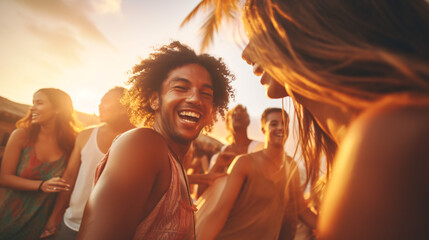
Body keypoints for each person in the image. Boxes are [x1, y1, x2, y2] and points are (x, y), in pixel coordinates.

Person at [185, 0, 429, 239]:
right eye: (273, 124)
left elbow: (301, 212)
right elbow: (216, 213)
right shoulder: (387, 133)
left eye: (259, 32)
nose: (246, 53)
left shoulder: (390, 139)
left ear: (304, 24)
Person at [77, 41, 234, 240]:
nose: (195, 99)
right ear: (154, 100)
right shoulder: (143, 144)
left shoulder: (173, 162)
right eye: (181, 87)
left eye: (206, 94)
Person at [197, 108, 316, 240]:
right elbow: (220, 212)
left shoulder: (291, 167)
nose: (280, 128)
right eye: (274, 124)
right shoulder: (244, 162)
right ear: (263, 129)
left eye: (284, 124)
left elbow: (302, 210)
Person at [40, 87, 135, 239]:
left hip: (108, 231)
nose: (100, 106)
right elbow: (69, 177)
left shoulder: (137, 143)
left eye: (106, 102)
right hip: (70, 223)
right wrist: (54, 217)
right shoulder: (85, 135)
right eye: (100, 101)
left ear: (125, 107)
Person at [0, 88, 79, 239]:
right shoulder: (21, 136)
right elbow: (4, 178)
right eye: (33, 103)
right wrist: (41, 185)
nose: (32, 108)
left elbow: (68, 184)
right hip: (10, 219)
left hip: (42, 224)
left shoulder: (71, 144)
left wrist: (53, 219)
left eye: (39, 103)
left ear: (57, 109)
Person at [209, 104, 263, 173]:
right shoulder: (216, 158)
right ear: (227, 124)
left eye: (243, 112)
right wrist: (217, 166)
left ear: (248, 120)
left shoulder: (260, 148)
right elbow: (208, 182)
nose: (238, 114)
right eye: (233, 114)